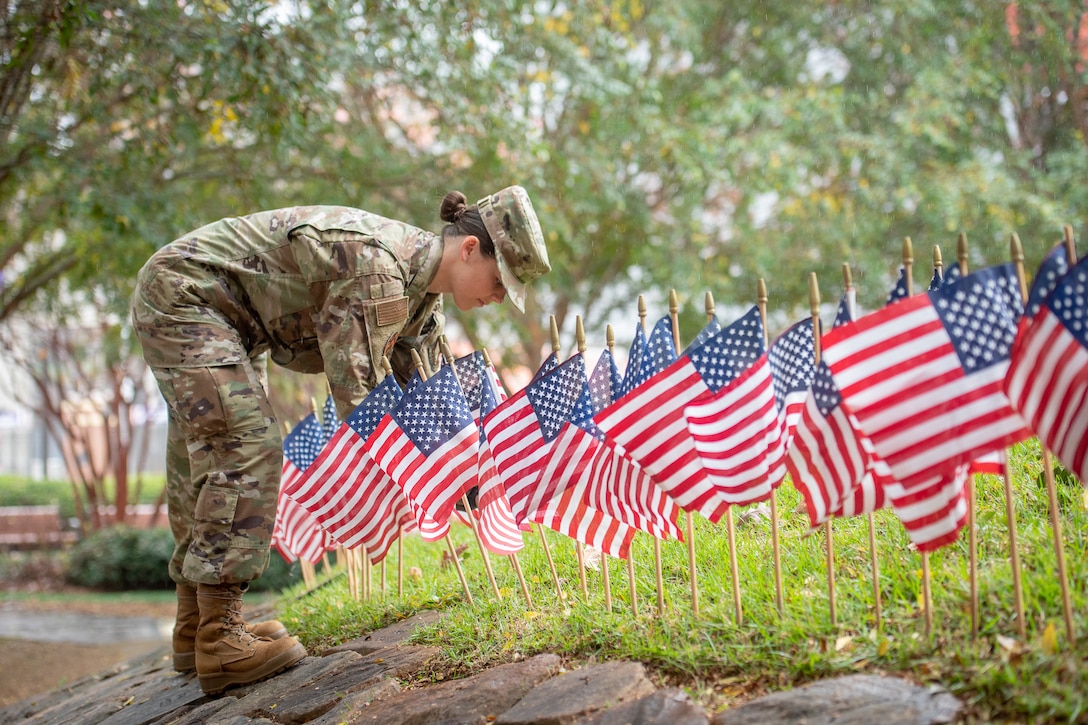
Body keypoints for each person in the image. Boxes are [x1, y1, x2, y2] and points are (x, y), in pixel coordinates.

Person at [130, 186, 550, 695]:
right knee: (245, 441)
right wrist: (436, 480)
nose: (500, 296)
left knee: (209, 448)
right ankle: (220, 638)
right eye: (500, 279)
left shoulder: (421, 299)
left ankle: (196, 624)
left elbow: (435, 399)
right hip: (185, 293)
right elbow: (365, 405)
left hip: (233, 319)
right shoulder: (376, 270)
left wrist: (480, 480)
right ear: (468, 250)